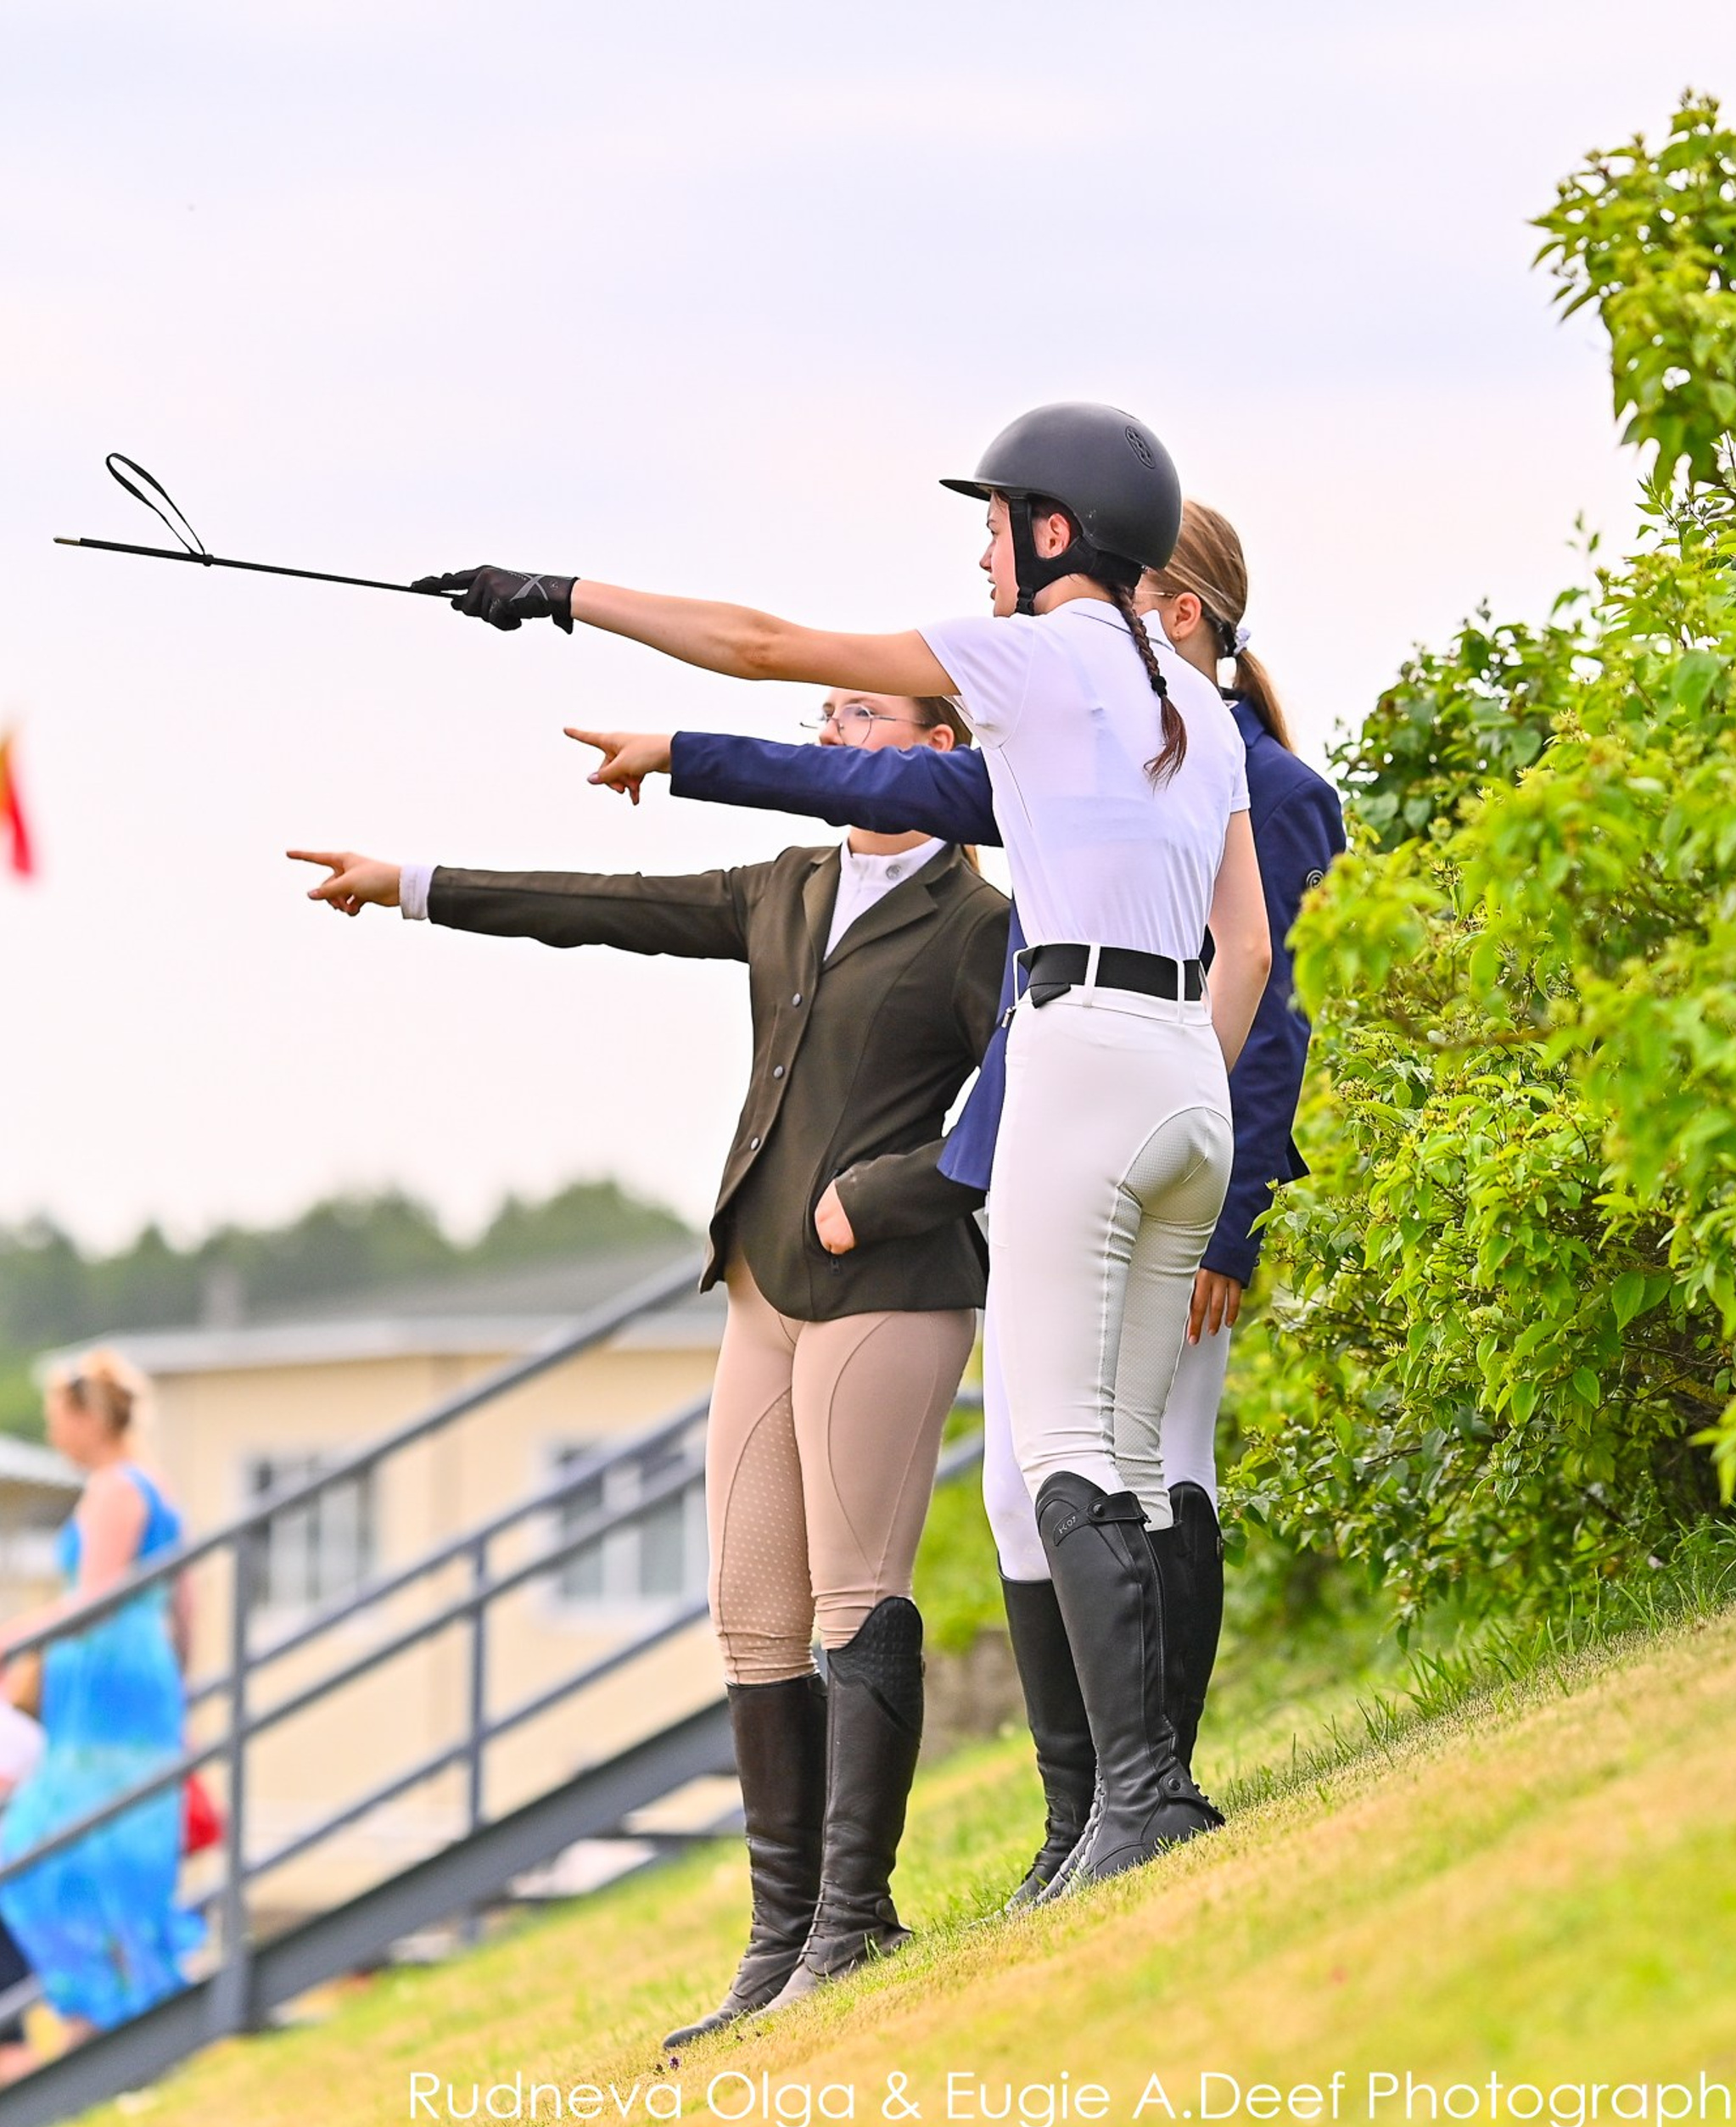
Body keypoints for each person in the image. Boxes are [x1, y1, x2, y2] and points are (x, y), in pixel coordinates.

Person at [417, 402, 1274, 1895]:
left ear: (1054, 530)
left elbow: (762, 642)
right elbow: (1243, 937)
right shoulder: (1200, 710)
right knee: (1133, 1453)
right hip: (1184, 1069)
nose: (982, 550)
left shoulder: (1034, 656)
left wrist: (562, 596)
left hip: (1078, 1051)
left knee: (1063, 1449)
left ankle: (1132, 1803)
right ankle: (1153, 1792)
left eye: (996, 521)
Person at [599, 499, 1346, 1906]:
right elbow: (927, 802)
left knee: (1132, 1458)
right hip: (1079, 1132)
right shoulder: (1087, 747)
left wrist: (1230, 1212)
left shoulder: (1241, 777)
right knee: (1042, 1478)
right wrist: (689, 755)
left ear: (1173, 612)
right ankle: (1093, 1813)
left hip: (1146, 1131)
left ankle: (1146, 1782)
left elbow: (1265, 1000)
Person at [290, 687, 1009, 2038]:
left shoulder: (978, 925)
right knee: (749, 1611)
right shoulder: (785, 883)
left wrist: (893, 1191)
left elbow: (1028, 1091)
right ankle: (780, 1936)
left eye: (859, 715)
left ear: (941, 750)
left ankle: (853, 1923)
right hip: (760, 1291)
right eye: (825, 713)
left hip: (889, 1291)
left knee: (857, 1601)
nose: (830, 732)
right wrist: (413, 885)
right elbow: (605, 905)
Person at [0, 1352, 202, 2075]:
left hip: (107, 1682)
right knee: (97, 1840)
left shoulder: (117, 1488)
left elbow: (97, 1597)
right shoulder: (152, 1484)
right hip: (128, 1676)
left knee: (37, 1846)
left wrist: (17, 1635)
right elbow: (184, 1603)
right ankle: (101, 2015)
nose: (55, 1436)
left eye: (58, 1420)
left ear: (88, 1417)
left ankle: (104, 2015)